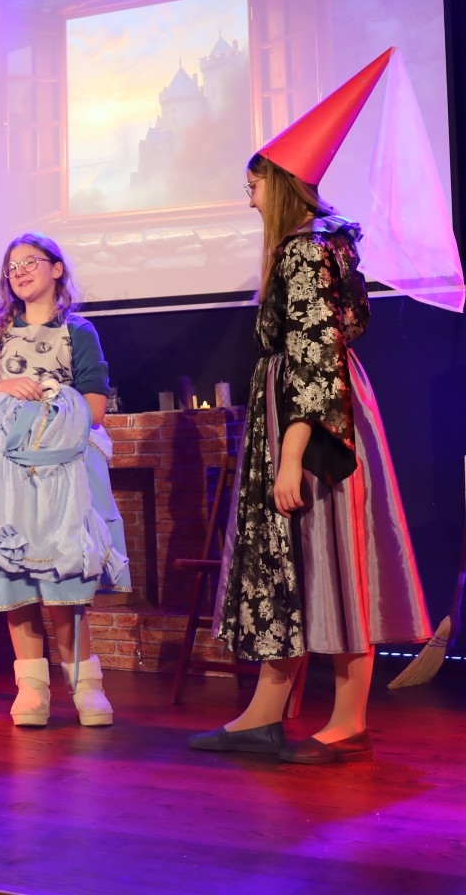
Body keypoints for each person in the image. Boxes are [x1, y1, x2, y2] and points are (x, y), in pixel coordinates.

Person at [188, 50, 431, 764]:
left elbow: (314, 355)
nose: (249, 201)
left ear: (279, 184)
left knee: (331, 557)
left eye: (253, 186)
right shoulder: (323, 249)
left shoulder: (302, 253)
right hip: (313, 409)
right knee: (291, 559)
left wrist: (292, 455)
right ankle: (265, 713)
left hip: (316, 422)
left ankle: (348, 718)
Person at [0, 233, 130, 727]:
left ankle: (85, 684)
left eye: (31, 262)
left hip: (63, 464)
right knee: (15, 569)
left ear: (56, 268)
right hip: (6, 463)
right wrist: (5, 386)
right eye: (12, 266)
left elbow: (95, 409)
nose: (20, 271)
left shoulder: (78, 331)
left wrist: (48, 395)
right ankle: (31, 687)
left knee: (65, 570)